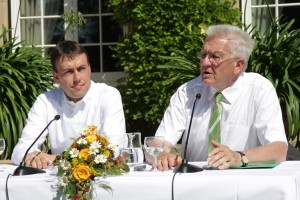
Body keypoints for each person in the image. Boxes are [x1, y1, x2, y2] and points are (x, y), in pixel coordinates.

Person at [155, 24, 288, 171]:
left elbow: (278, 150)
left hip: (244, 183)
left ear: (238, 65)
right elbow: (158, 143)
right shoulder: (187, 92)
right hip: (193, 183)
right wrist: (162, 155)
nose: (205, 63)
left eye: (215, 57)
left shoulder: (259, 90)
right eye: (203, 55)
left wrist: (239, 157)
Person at [11, 40, 127, 169]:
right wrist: (32, 156)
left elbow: (113, 149)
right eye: (68, 72)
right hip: (56, 182)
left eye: (81, 69)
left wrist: (57, 159)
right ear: (56, 77)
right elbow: (19, 151)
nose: (77, 78)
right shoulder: (45, 101)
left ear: (89, 69)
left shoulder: (108, 95)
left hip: (103, 179)